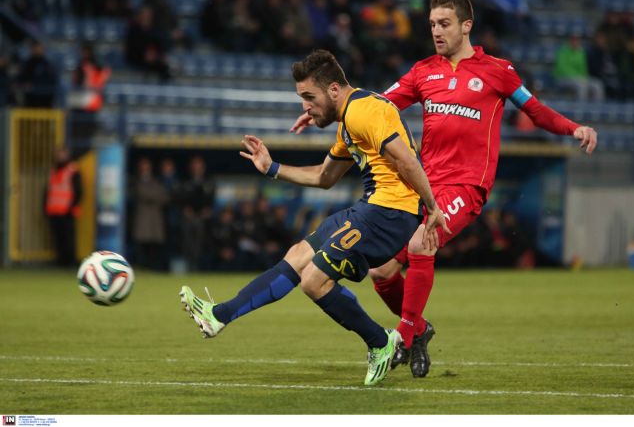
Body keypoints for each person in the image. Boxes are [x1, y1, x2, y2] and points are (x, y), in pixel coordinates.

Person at [290, 0, 598, 378]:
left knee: (422, 241)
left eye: (445, 23)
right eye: (432, 24)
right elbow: (373, 105)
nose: (436, 30)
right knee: (381, 272)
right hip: (423, 186)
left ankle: (401, 338)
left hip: (466, 186)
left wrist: (574, 128)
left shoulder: (499, 71)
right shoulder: (423, 72)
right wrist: (325, 110)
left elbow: (535, 111)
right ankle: (419, 330)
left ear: (467, 25)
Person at [179, 49, 449, 386]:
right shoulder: (349, 122)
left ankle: (380, 342)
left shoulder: (363, 111)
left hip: (391, 213)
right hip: (371, 207)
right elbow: (324, 176)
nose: (305, 106)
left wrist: (432, 208)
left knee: (314, 280)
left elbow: (407, 160)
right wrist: (272, 168)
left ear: (334, 89)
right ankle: (218, 315)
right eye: (302, 98)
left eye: (309, 97)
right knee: (297, 256)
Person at [45, 147, 82, 267]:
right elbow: (48, 191)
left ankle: (70, 261)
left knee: (69, 238)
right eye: (58, 154)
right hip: (53, 211)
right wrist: (45, 207)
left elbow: (78, 191)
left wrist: (71, 207)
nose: (60, 157)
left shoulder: (72, 170)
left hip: (67, 211)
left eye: (62, 154)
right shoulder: (53, 170)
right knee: (58, 238)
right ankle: (60, 261)